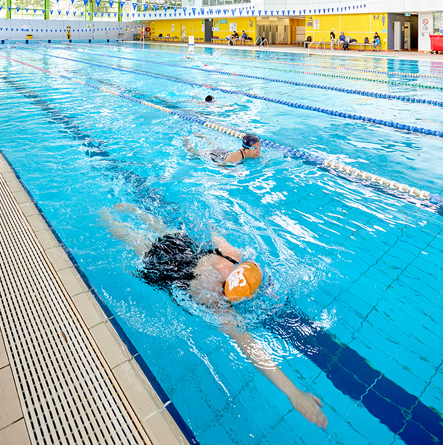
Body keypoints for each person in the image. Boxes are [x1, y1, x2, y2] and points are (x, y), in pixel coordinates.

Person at [101, 203, 328, 429]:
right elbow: (250, 347)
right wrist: (293, 392)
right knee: (134, 241)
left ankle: (130, 210)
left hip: (183, 247)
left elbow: (214, 232)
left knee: (160, 230)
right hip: (170, 271)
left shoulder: (230, 255)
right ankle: (107, 219)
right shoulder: (213, 300)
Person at [184, 133, 261, 164]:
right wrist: (233, 171)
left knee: (216, 147)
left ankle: (205, 138)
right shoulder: (235, 157)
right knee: (192, 152)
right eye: (255, 148)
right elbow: (220, 165)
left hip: (225, 153)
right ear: (246, 149)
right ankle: (185, 139)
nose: (258, 151)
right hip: (214, 156)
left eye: (259, 147)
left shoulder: (254, 152)